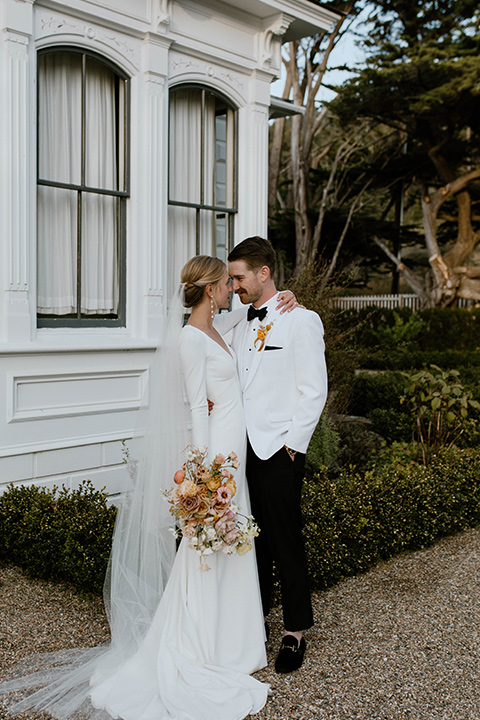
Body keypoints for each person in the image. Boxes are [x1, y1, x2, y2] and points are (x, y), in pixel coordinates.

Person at [0, 255, 298, 720]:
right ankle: (205, 647)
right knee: (209, 545)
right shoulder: (189, 339)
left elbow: (256, 315)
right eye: (224, 284)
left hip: (237, 450)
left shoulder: (225, 325)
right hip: (219, 452)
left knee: (231, 545)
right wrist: (205, 474)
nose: (230, 291)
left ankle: (234, 644)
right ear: (208, 290)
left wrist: (284, 298)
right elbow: (198, 407)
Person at [219, 236, 328, 674]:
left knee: (286, 539)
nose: (234, 285)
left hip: (278, 450)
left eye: (239, 277)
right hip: (241, 449)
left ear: (264, 273)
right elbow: (200, 327)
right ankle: (256, 622)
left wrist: (292, 448)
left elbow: (314, 390)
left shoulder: (301, 321)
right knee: (252, 541)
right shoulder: (241, 319)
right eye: (230, 278)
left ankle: (295, 632)